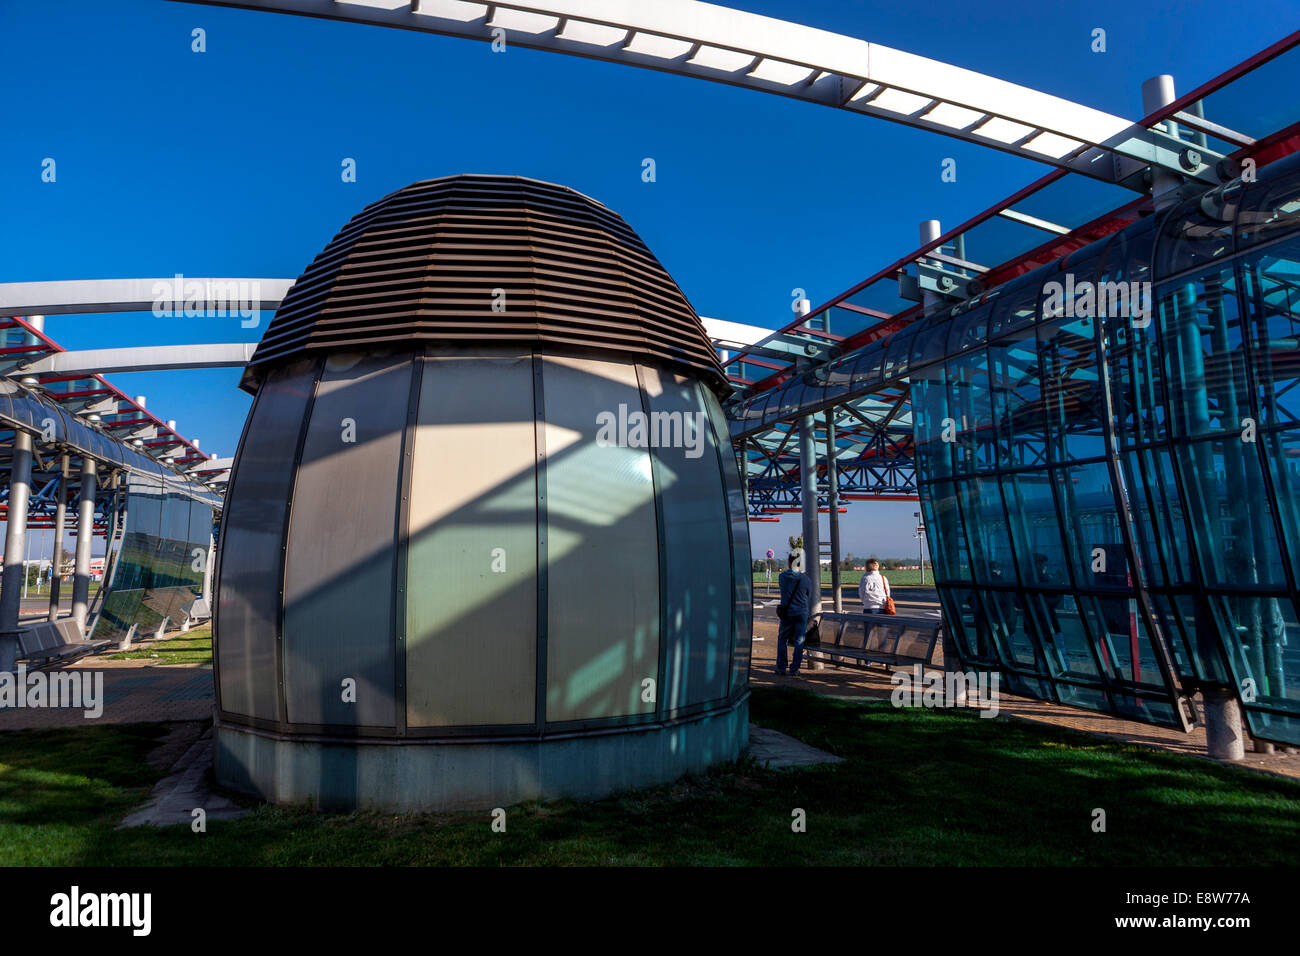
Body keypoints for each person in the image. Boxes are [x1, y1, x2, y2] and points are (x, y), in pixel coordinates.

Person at [776, 549, 814, 676]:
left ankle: (781, 667)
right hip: (801, 613)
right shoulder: (806, 579)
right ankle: (794, 668)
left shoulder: (782, 577)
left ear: (789, 562)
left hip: (787, 613)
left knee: (782, 639)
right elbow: (808, 595)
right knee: (799, 641)